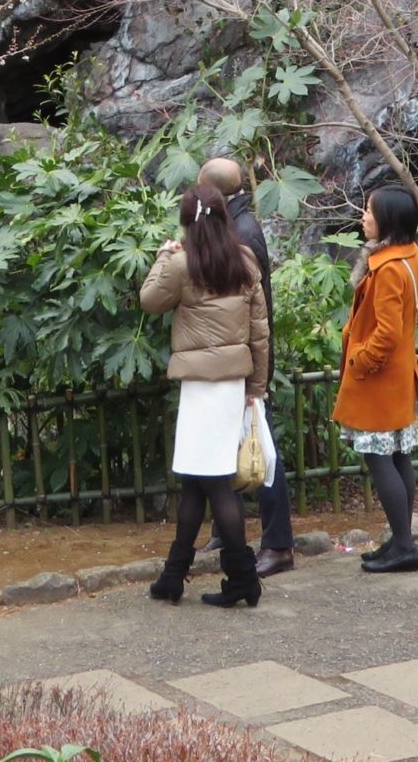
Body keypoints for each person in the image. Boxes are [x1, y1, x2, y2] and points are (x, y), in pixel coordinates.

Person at [139, 183, 271, 609]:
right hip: (231, 386)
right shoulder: (244, 260)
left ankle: (244, 579)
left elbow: (149, 301)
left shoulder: (181, 263)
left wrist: (163, 255)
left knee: (214, 484)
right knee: (197, 481)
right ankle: (173, 576)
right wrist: (256, 388)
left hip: (198, 386)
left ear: (186, 222)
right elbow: (260, 332)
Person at [332, 184, 418, 575]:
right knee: (398, 455)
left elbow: (387, 333)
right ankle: (399, 540)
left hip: (379, 378)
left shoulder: (388, 267)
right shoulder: (408, 255)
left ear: (387, 219)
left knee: (379, 458)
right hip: (399, 375)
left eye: (369, 210)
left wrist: (360, 360)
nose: (363, 217)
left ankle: (405, 546)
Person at [202, 156, 296, 578]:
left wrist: (256, 374)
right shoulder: (230, 225)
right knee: (226, 447)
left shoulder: (242, 235)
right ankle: (228, 530)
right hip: (232, 357)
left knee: (261, 451)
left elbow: (253, 315)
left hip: (245, 361)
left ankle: (279, 544)